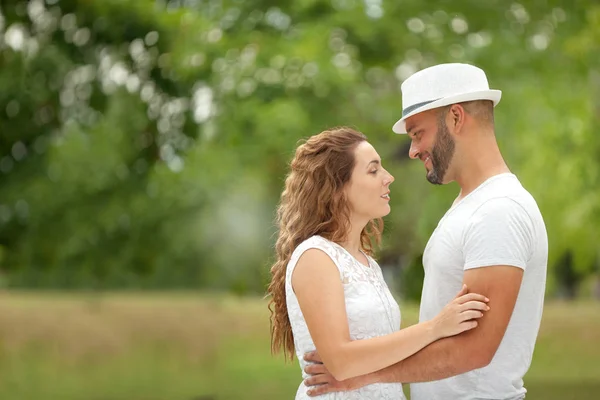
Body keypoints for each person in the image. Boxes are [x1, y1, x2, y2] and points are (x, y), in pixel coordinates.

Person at [303, 63, 548, 400]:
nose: (413, 150)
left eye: (418, 133)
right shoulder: (470, 205)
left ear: (456, 118)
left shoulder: (498, 210)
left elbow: (474, 349)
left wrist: (359, 376)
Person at [266, 127, 490, 399]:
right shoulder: (315, 256)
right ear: (337, 187)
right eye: (373, 171)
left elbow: (383, 353)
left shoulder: (367, 264)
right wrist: (435, 327)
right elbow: (341, 361)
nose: (389, 178)